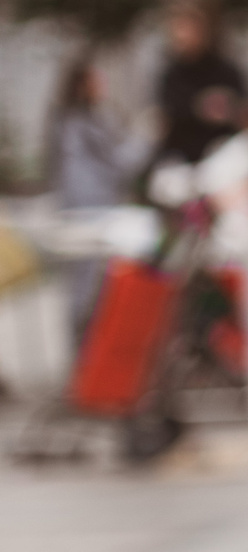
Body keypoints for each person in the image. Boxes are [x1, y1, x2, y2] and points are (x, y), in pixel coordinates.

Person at [43, 53, 148, 346]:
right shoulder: (87, 121)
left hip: (76, 210)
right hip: (92, 212)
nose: (103, 84)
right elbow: (122, 164)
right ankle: (87, 359)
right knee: (90, 289)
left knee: (80, 287)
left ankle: (82, 360)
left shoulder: (64, 120)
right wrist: (148, 136)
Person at [152, 0, 248, 168]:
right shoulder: (170, 75)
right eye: (179, 27)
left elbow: (243, 110)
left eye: (190, 27)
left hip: (222, 156)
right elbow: (168, 115)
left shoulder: (227, 71)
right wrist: (202, 106)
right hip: (181, 159)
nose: (183, 34)